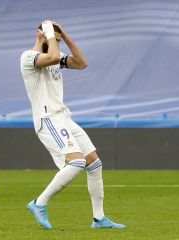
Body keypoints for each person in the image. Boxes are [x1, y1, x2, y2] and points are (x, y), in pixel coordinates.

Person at [20, 20, 125, 229]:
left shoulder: (55, 59)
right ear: (40, 34)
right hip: (48, 119)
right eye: (54, 39)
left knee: (94, 164)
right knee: (77, 163)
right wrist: (49, 33)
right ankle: (39, 203)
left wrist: (64, 35)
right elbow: (52, 56)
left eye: (58, 41)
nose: (56, 43)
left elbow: (81, 62)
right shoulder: (28, 57)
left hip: (64, 118)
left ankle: (99, 219)